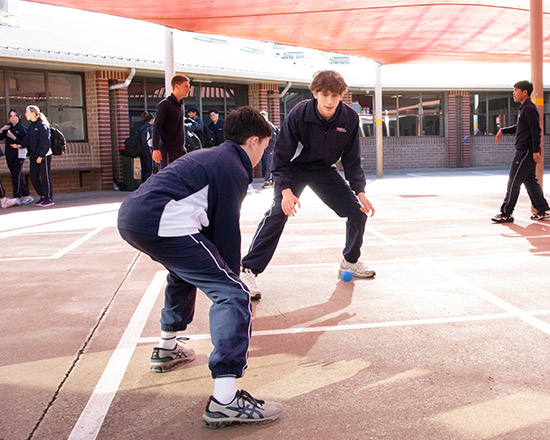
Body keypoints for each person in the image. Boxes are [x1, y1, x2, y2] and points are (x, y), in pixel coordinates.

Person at [117, 106, 282, 428]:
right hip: (159, 221)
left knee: (183, 270)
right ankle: (225, 400)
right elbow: (225, 231)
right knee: (233, 295)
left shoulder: (213, 156)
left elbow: (208, 234)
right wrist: (233, 280)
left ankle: (167, 348)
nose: (264, 153)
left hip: (134, 218)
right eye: (264, 146)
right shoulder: (233, 168)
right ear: (253, 141)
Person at [240, 70, 375, 300]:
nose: (330, 101)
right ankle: (248, 270)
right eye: (324, 94)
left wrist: (360, 191)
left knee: (357, 213)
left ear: (342, 95)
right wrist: (285, 191)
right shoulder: (299, 114)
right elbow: (280, 157)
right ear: (315, 93)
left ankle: (349, 262)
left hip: (324, 170)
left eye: (335, 95)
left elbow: (352, 159)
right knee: (277, 213)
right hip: (295, 169)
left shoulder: (349, 119)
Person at [491, 80, 550, 223]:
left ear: (524, 92)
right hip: (525, 151)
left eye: (516, 90)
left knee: (513, 181)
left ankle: (506, 213)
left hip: (526, 152)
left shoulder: (529, 108)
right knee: (530, 180)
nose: (514, 93)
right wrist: (503, 130)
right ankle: (544, 210)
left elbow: (536, 130)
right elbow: (520, 127)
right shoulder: (525, 108)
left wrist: (536, 151)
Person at [14, 105, 53, 207]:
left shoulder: (42, 125)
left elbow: (45, 142)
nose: (25, 114)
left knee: (45, 176)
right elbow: (27, 139)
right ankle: (43, 195)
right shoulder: (31, 126)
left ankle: (48, 198)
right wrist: (20, 145)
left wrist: (41, 155)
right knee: (33, 176)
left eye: (27, 112)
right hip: (34, 155)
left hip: (43, 155)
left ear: (33, 113)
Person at [153, 74, 191, 168]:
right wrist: (156, 149)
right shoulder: (165, 104)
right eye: (186, 86)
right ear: (177, 86)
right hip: (168, 150)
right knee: (168, 179)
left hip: (181, 149)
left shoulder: (181, 104)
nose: (189, 89)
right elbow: (156, 127)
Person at [0, 109, 34, 206]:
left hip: (19, 155)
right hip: (10, 155)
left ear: (19, 117)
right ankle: (26, 195)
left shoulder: (23, 129)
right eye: (10, 116)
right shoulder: (8, 127)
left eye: (14, 116)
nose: (12, 118)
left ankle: (17, 197)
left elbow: (24, 143)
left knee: (16, 176)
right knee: (16, 175)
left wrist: (13, 137)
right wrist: (2, 129)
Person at [258, 110, 279, 189]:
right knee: (266, 163)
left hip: (270, 147)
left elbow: (273, 138)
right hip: (266, 147)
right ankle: (272, 180)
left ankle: (268, 181)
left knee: (269, 163)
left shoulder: (269, 126)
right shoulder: (262, 126)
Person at [139, 112, 155, 183]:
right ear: (151, 119)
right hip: (148, 150)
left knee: (144, 169)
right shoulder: (150, 128)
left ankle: (143, 184)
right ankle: (148, 185)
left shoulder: (141, 128)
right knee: (149, 169)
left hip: (142, 151)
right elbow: (150, 141)